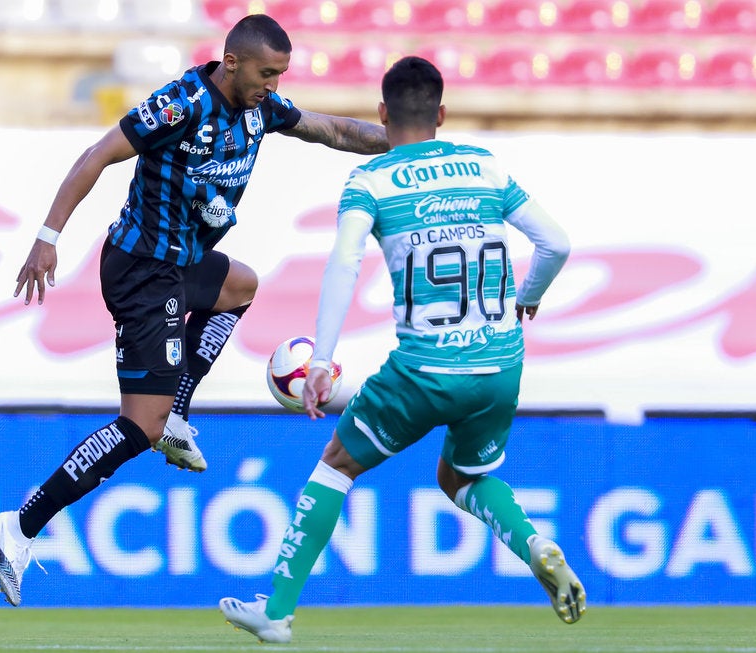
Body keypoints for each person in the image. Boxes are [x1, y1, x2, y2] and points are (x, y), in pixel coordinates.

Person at [0, 14, 388, 607]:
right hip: (143, 271)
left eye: (280, 75)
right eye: (265, 73)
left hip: (183, 266)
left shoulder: (262, 109)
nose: (273, 85)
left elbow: (330, 129)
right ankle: (18, 526)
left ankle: (176, 410)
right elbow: (97, 155)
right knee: (137, 427)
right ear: (231, 61)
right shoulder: (179, 105)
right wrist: (48, 235)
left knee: (241, 285)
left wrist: (402, 140)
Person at [218, 55, 585, 643]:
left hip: (426, 366)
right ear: (441, 113)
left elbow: (344, 262)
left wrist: (320, 361)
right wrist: (528, 298)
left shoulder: (371, 179)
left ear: (382, 115)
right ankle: (536, 544)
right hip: (500, 361)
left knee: (337, 463)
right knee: (461, 476)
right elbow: (557, 244)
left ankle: (277, 612)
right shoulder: (485, 168)